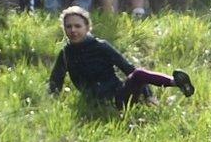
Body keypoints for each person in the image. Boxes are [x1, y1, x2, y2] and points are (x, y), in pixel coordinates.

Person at [47, 6, 193, 105]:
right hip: (93, 101)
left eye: (77, 26)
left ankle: (176, 82)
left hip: (118, 95)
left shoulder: (101, 46)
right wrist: (52, 105)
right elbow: (55, 83)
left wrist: (148, 94)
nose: (73, 30)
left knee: (139, 73)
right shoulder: (65, 53)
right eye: (68, 26)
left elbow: (128, 68)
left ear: (87, 27)